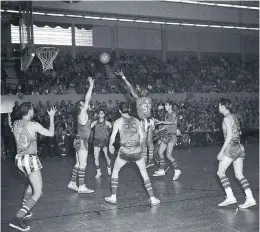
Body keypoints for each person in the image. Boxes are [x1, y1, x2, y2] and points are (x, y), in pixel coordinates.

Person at [9, 102, 57, 231]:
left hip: (19, 159)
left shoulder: (16, 123)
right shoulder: (34, 125)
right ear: (30, 112)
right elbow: (51, 134)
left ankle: (25, 209)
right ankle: (18, 218)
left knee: (31, 184)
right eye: (32, 110)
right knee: (38, 192)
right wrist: (51, 117)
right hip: (30, 159)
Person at [105, 102, 160, 206]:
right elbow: (142, 137)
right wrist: (138, 145)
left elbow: (112, 137)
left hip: (124, 151)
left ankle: (113, 197)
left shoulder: (118, 121)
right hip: (137, 151)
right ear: (129, 109)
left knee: (115, 171)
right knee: (144, 174)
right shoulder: (136, 120)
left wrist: (110, 145)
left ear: (120, 110)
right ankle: (153, 199)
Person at [217, 98, 256, 208]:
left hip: (231, 147)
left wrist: (221, 152)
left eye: (219, 105)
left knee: (220, 172)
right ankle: (250, 198)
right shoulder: (234, 116)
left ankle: (230, 197)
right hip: (239, 146)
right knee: (239, 175)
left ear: (224, 107)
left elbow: (229, 136)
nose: (218, 107)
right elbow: (238, 132)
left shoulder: (226, 118)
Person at [115, 70, 155, 168]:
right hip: (151, 120)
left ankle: (145, 161)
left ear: (141, 93)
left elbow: (130, 88)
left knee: (143, 143)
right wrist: (142, 88)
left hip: (144, 121)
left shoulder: (138, 98)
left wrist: (123, 77)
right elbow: (145, 90)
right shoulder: (149, 99)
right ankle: (151, 159)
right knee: (150, 142)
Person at [67, 77, 95, 194]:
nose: (87, 104)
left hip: (79, 139)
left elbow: (86, 128)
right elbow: (87, 98)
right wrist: (91, 86)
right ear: (81, 107)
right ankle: (82, 186)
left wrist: (95, 123)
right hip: (82, 141)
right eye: (84, 104)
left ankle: (72, 183)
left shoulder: (83, 116)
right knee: (83, 164)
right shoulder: (83, 113)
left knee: (78, 163)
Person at [152, 101, 182, 180]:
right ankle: (161, 170)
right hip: (166, 135)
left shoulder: (173, 114)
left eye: (166, 105)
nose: (165, 106)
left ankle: (177, 170)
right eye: (165, 105)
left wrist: (161, 122)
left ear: (170, 106)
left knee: (168, 155)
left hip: (172, 136)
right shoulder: (166, 114)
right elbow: (166, 126)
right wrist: (159, 130)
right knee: (160, 152)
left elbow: (171, 122)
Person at [91, 109, 112, 178]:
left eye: (102, 113)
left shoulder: (107, 123)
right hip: (96, 140)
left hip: (104, 141)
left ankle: (109, 168)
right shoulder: (94, 122)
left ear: (104, 114)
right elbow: (88, 128)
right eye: (100, 113)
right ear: (98, 114)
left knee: (107, 156)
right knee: (96, 157)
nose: (101, 114)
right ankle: (98, 172)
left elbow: (112, 131)